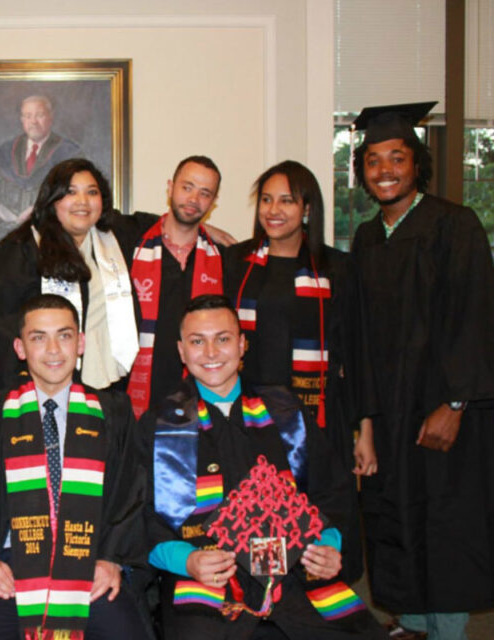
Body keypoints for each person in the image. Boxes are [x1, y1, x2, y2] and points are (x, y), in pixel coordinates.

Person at [140, 295, 385, 640]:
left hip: (295, 570)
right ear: (181, 351)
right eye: (198, 341)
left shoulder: (287, 412)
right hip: (206, 572)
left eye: (223, 339)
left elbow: (331, 490)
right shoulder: (160, 425)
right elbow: (142, 513)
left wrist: (328, 544)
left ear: (242, 344)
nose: (211, 353)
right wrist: (186, 560)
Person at [349, 102, 494, 640]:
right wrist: (364, 424)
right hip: (388, 412)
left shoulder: (454, 225)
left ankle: (449, 629)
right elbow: (358, 335)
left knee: (445, 518)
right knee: (395, 514)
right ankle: (409, 622)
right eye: (373, 160)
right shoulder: (366, 239)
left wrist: (456, 404)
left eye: (397, 158)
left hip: (441, 407)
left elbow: (476, 316)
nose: (385, 170)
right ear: (362, 171)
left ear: (417, 165)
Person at [0, 294, 150, 639]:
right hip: (9, 566)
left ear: (81, 342)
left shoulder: (113, 411)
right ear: (20, 348)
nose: (53, 350)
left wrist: (111, 560)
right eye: (38, 337)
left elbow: (131, 495)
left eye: (64, 335)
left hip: (89, 563)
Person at [223, 160, 363, 582]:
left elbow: (354, 349)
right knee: (260, 507)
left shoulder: (337, 267)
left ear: (307, 208)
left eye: (286, 199)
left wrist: (365, 428)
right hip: (251, 415)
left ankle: (313, 591)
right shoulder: (236, 261)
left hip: (315, 414)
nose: (274, 209)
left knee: (315, 506)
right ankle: (268, 597)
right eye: (266, 199)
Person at [0, 158, 140, 394]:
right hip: (38, 387)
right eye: (70, 192)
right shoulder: (20, 250)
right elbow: (3, 331)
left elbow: (168, 225)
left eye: (92, 192)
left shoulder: (116, 239)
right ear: (52, 200)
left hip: (107, 382)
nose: (83, 202)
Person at [126, 155, 226, 419]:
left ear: (213, 203)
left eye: (205, 193)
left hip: (198, 397)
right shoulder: (130, 243)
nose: (194, 199)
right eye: (187, 187)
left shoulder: (226, 258)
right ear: (170, 188)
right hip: (134, 395)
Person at [0, 95, 85, 241]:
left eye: (39, 115)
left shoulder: (69, 153)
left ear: (50, 118)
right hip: (7, 237)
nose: (33, 122)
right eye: (28, 116)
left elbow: (78, 195)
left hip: (51, 235)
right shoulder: (5, 152)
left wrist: (42, 208)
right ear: (22, 120)